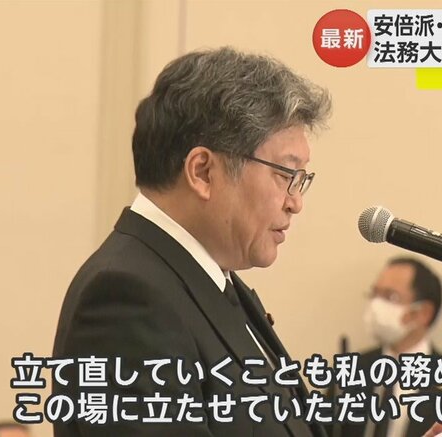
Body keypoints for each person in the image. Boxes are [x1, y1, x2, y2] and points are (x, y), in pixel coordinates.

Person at [52, 47, 331, 436]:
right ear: (202, 172)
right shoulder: (127, 298)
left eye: (301, 180)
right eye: (286, 174)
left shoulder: (207, 278)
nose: (295, 202)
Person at [331, 257, 442, 437]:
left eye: (390, 296)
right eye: (374, 294)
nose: (375, 305)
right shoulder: (349, 371)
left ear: (424, 312)